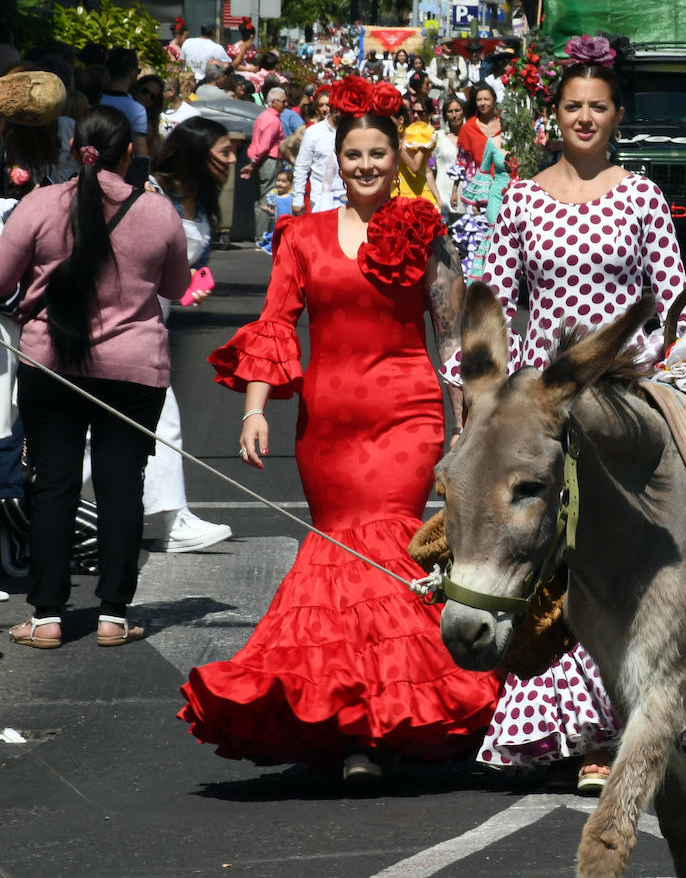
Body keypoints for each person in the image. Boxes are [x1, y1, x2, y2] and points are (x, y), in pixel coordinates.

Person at [177, 78, 500, 782]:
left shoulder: (425, 229)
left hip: (406, 416)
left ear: (395, 158)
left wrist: (465, 424)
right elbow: (274, 324)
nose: (365, 166)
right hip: (327, 426)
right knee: (342, 563)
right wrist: (255, 408)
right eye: (353, 154)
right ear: (335, 158)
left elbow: (451, 336)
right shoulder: (301, 235)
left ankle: (377, 730)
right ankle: (356, 726)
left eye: (377, 154)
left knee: (387, 555)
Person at [442, 38, 686, 793]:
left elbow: (669, 297)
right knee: (526, 547)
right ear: (553, 116)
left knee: (628, 556)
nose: (586, 118)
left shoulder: (641, 196)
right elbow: (493, 293)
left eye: (599, 106)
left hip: (624, 394)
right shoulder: (525, 198)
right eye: (573, 107)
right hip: (541, 400)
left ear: (617, 115)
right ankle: (550, 721)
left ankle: (612, 727)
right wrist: (478, 396)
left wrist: (682, 368)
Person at [1, 106, 193, 650]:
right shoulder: (157, 212)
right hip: (133, 368)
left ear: (73, 150)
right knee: (120, 486)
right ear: (128, 152)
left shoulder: (39, 204)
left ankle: (46, 616)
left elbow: (0, 276)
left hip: (52, 365)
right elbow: (177, 286)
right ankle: (112, 613)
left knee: (52, 484)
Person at [141, 117, 236, 552]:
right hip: (130, 319)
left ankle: (62, 508)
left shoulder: (207, 201)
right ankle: (173, 521)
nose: (233, 160)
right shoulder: (152, 192)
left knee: (127, 425)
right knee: (162, 420)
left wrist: (192, 284)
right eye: (224, 152)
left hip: (156, 320)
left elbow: (188, 268)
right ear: (198, 153)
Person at [240, 87, 287, 240]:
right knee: (268, 197)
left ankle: (261, 234)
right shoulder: (272, 121)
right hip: (269, 161)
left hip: (262, 161)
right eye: (283, 101)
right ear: (274, 102)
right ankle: (262, 235)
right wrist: (253, 164)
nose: (286, 104)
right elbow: (264, 147)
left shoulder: (263, 116)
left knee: (263, 196)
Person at [291, 88, 344, 214]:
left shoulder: (351, 131)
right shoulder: (313, 132)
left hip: (345, 198)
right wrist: (297, 199)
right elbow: (302, 167)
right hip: (320, 199)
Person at [99, 48, 150, 159]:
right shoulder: (137, 110)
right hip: (120, 171)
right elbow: (141, 155)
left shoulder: (94, 99)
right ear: (133, 73)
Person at [397, 97, 440, 205]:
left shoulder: (426, 134)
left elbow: (415, 167)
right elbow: (427, 170)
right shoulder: (408, 131)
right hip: (399, 189)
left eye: (420, 113)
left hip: (416, 194)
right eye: (414, 112)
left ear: (430, 114)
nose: (416, 116)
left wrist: (399, 147)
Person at [434, 95, 466, 220]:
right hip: (441, 193)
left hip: (464, 194)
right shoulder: (438, 137)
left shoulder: (471, 137)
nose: (454, 115)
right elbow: (429, 167)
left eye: (457, 110)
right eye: (450, 111)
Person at [257, 168, 294, 253]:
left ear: (290, 184)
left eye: (283, 181)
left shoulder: (292, 197)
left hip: (290, 225)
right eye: (278, 180)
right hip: (279, 225)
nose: (280, 183)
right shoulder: (274, 197)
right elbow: (274, 213)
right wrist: (268, 210)